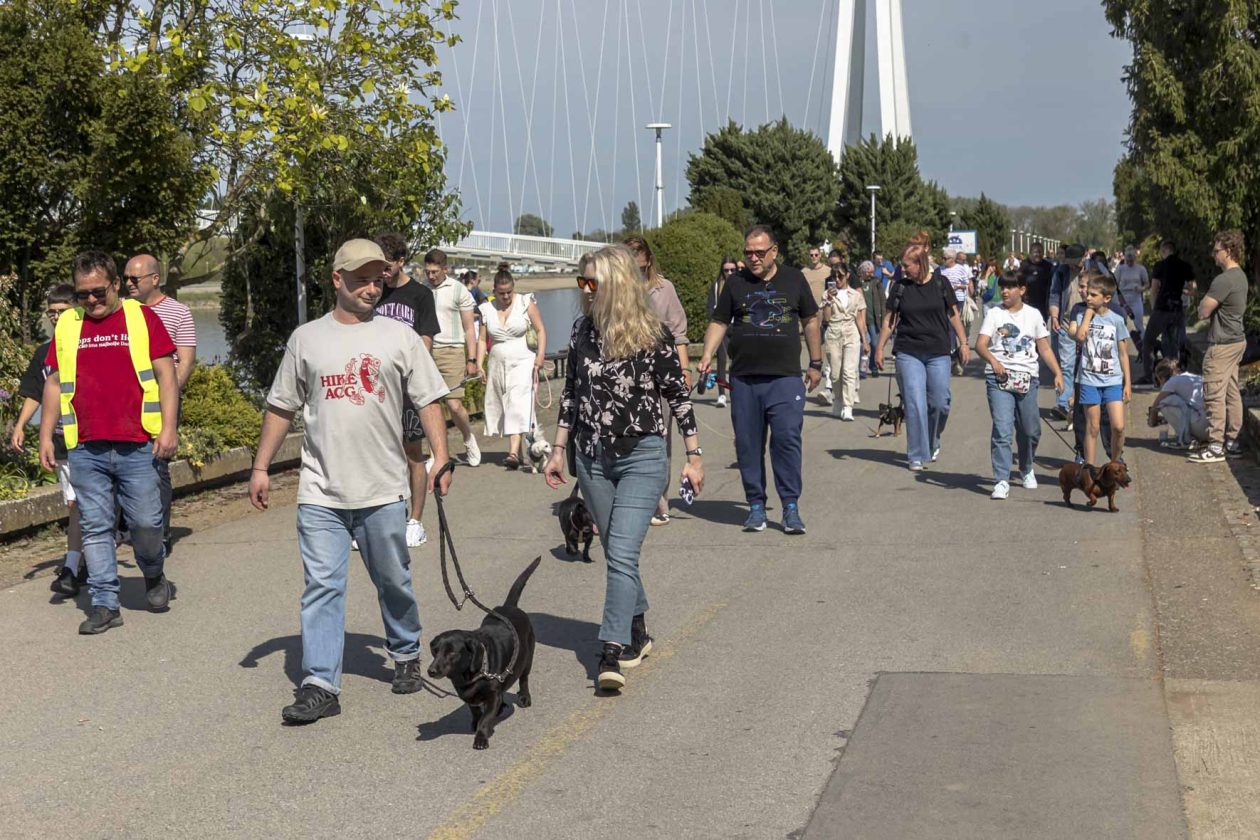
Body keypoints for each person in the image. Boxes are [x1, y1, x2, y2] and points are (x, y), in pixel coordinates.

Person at [248, 239, 453, 724]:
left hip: (383, 488)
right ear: (336, 279)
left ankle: (405, 650)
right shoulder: (306, 339)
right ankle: (320, 683)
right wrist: (260, 466)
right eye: (361, 277)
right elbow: (281, 405)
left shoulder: (397, 337)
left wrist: (441, 455)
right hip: (321, 490)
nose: (371, 286)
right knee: (321, 585)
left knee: (393, 579)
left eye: (378, 277)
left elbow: (427, 399)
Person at [543, 244, 703, 691]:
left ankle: (610, 651)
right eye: (581, 282)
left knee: (622, 553)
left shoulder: (653, 334)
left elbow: (679, 395)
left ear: (617, 285)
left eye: (592, 282)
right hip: (592, 459)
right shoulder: (582, 332)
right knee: (617, 553)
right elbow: (571, 393)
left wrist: (693, 457)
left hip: (642, 457)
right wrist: (558, 449)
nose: (585, 290)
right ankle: (638, 629)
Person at [38, 251, 179, 635]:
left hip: (137, 444)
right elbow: (53, 382)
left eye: (99, 291)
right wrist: (45, 433)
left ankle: (153, 575)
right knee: (96, 526)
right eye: (83, 295)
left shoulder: (142, 318)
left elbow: (167, 375)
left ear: (116, 284)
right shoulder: (68, 325)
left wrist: (169, 428)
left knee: (146, 524)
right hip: (86, 445)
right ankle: (104, 603)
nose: (92, 301)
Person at [698, 225, 822, 534]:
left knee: (786, 441)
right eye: (748, 252)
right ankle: (756, 506)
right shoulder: (736, 284)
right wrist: (706, 355)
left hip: (785, 378)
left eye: (759, 252)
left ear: (774, 251)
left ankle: (790, 507)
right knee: (748, 445)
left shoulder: (794, 279)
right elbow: (719, 321)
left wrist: (817, 362)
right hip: (745, 379)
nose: (753, 258)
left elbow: (809, 320)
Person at [874, 236, 970, 471]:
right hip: (908, 352)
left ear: (921, 264)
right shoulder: (900, 287)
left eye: (907, 265)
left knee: (940, 403)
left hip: (938, 352)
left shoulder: (941, 283)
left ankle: (932, 440)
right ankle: (916, 453)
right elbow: (889, 320)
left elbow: (953, 314)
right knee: (915, 402)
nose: (902, 270)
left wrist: (964, 342)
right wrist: (879, 347)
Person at [11, 285, 84, 595]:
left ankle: (77, 561)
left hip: (93, 438)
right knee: (74, 503)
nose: (56, 317)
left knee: (88, 502)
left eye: (62, 311)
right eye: (51, 312)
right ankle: (77, 561)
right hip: (61, 441)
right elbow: (34, 392)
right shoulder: (45, 352)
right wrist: (20, 425)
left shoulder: (90, 345)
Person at [123, 254, 197, 557]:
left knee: (157, 465)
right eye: (125, 278)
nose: (128, 283)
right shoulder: (123, 313)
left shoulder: (178, 312)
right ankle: (127, 528)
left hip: (160, 403)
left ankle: (160, 533)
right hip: (127, 404)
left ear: (155, 279)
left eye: (134, 278)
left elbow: (186, 360)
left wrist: (167, 396)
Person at [374, 232, 441, 547]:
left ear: (401, 262)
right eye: (379, 267)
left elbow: (425, 344)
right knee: (378, 455)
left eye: (387, 267)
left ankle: (414, 520)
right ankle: (376, 520)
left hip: (407, 391)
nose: (382, 274)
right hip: (375, 390)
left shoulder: (420, 296)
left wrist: (412, 382)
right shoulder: (372, 292)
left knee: (413, 454)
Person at [976, 272, 1063, 500]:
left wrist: (1057, 372)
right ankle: (1001, 479)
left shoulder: (1033, 315)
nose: (1004, 291)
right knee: (1003, 429)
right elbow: (981, 345)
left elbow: (1043, 347)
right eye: (1002, 287)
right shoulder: (995, 314)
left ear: (1022, 290)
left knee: (1030, 430)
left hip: (1027, 379)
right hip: (999, 379)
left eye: (1010, 287)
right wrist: (994, 361)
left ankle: (1026, 467)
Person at [624, 236, 690, 526]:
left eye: (639, 266)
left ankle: (659, 501)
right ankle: (629, 498)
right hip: (625, 374)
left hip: (661, 373)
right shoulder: (618, 290)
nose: (635, 273)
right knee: (627, 436)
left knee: (660, 437)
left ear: (648, 260)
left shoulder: (665, 289)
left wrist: (684, 370)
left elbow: (679, 332)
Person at [476, 268, 546, 468]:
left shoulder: (525, 303)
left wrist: (540, 356)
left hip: (523, 360)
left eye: (509, 292)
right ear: (494, 291)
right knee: (503, 405)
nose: (506, 296)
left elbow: (540, 330)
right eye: (501, 293)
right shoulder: (486, 309)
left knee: (516, 401)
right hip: (497, 362)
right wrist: (479, 364)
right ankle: (522, 451)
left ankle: (513, 453)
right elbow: (482, 340)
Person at [1189, 230, 1249, 463]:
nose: (1213, 255)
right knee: (1232, 393)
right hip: (1237, 341)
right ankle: (1232, 442)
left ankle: (1215, 446)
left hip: (1222, 344)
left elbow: (1203, 311)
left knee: (1214, 392)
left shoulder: (1224, 280)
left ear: (1229, 250)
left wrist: (1202, 302)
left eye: (1217, 251)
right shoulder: (1241, 276)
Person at [422, 248, 481, 467]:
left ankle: (468, 437)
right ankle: (434, 453)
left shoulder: (458, 290)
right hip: (426, 351)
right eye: (427, 271)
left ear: (445, 269)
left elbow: (469, 328)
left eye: (435, 271)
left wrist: (472, 359)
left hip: (452, 350)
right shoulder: (422, 290)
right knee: (430, 404)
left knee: (454, 404)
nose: (431, 276)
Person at [1069, 272, 1131, 467]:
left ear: (1107, 298)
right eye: (1088, 293)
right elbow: (1080, 337)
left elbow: (1123, 354)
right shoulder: (1081, 314)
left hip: (1112, 380)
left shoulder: (1117, 320)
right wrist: (1088, 314)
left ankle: (1114, 463)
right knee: (1092, 427)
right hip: (1089, 379)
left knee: (1118, 427)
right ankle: (1089, 470)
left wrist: (1127, 383)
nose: (1088, 297)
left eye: (1093, 295)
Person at [1140, 240, 1196, 382]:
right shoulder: (1184, 266)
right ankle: (1174, 375)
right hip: (1177, 309)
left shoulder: (1160, 265)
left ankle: (1149, 376)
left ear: (1164, 251)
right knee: (1174, 343)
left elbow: (1154, 289)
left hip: (1162, 308)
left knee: (1148, 342)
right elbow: (1193, 289)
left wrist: (1153, 308)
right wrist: (1181, 290)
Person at [820, 260, 869, 420]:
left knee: (849, 372)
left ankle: (848, 406)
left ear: (847, 275)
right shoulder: (827, 294)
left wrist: (865, 340)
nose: (837, 279)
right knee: (835, 374)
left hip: (851, 332)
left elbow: (860, 319)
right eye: (834, 276)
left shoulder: (856, 295)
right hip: (833, 332)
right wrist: (828, 300)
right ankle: (838, 399)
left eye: (840, 276)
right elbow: (826, 318)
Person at [1048, 244, 1087, 419]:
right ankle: (1063, 405)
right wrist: (1054, 317)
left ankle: (1081, 404)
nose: (1072, 266)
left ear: (1084, 257)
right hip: (1065, 324)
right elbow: (1055, 295)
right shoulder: (1061, 272)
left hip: (1088, 324)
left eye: (1075, 262)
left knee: (1085, 366)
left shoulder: (1094, 270)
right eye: (1069, 262)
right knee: (1067, 366)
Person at [1150, 359, 1207, 449]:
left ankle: (1186, 438)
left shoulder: (1171, 382)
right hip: (1212, 426)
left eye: (1158, 381)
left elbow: (1155, 406)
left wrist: (1152, 421)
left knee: (1165, 403)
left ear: (1162, 378)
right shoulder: (1192, 377)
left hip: (1202, 428)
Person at [705, 258, 738, 407]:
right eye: (726, 270)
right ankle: (722, 394)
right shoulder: (717, 285)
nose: (729, 273)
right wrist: (716, 322)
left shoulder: (741, 284)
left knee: (736, 363)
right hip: (722, 328)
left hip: (737, 328)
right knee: (721, 362)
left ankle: (736, 392)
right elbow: (711, 307)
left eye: (732, 270)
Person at [940, 247, 974, 372]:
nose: (943, 260)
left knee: (953, 326)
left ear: (953, 259)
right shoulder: (941, 270)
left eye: (946, 258)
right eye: (942, 258)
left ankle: (955, 353)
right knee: (946, 327)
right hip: (943, 300)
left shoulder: (960, 269)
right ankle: (953, 353)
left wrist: (956, 287)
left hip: (957, 300)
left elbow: (967, 284)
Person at [1112, 245, 1150, 342]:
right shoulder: (1120, 269)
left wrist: (1141, 288)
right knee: (1120, 323)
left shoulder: (1141, 269)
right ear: (1125, 257)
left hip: (1136, 297)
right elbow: (1114, 283)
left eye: (1131, 259)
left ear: (1135, 257)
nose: (1129, 261)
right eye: (1128, 259)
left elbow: (1147, 284)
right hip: (1123, 298)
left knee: (1139, 324)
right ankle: (1119, 345)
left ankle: (1144, 348)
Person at [856, 260, 886, 378]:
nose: (871, 274)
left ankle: (873, 366)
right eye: (869, 272)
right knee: (862, 346)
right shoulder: (857, 283)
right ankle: (862, 369)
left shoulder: (876, 282)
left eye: (872, 271)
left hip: (873, 319)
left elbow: (882, 299)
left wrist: (883, 316)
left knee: (874, 343)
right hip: (860, 319)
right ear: (863, 271)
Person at [1022, 242, 1055, 325]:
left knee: (1041, 328)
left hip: (1043, 305)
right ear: (1030, 253)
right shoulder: (1024, 265)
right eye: (1035, 252)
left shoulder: (1048, 266)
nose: (1037, 254)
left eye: (1040, 252)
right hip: (1028, 304)